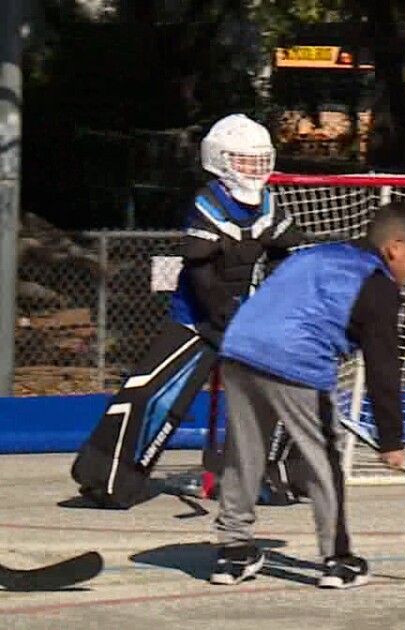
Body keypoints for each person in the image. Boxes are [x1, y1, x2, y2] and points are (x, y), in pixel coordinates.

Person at [71, 113, 307, 509]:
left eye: (260, 160)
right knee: (152, 395)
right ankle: (109, 478)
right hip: (197, 321)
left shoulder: (269, 205)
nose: (255, 169)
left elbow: (289, 252)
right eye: (245, 160)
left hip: (249, 323)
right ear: (219, 159)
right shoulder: (208, 204)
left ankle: (271, 478)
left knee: (288, 389)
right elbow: (200, 271)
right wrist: (223, 317)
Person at [209, 200, 405, 589]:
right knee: (324, 461)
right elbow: (383, 368)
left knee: (244, 453)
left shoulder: (316, 255)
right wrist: (391, 441)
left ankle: (233, 552)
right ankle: (339, 559)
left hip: (240, 349)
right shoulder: (376, 283)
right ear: (395, 248)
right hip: (297, 361)